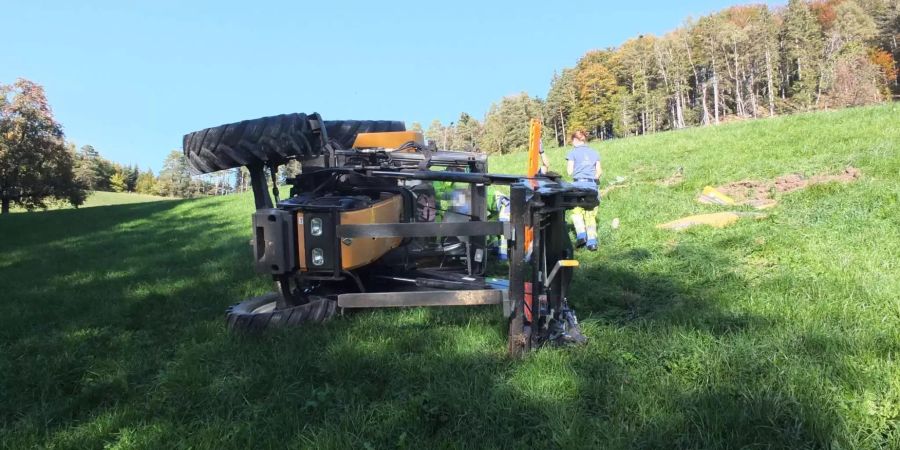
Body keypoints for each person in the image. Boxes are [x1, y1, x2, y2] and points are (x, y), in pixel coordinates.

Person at [566, 130, 602, 251]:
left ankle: (581, 235)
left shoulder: (572, 153)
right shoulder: (594, 152)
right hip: (591, 186)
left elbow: (569, 172)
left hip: (578, 186)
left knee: (576, 210)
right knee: (590, 213)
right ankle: (592, 242)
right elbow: (599, 172)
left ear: (575, 140)